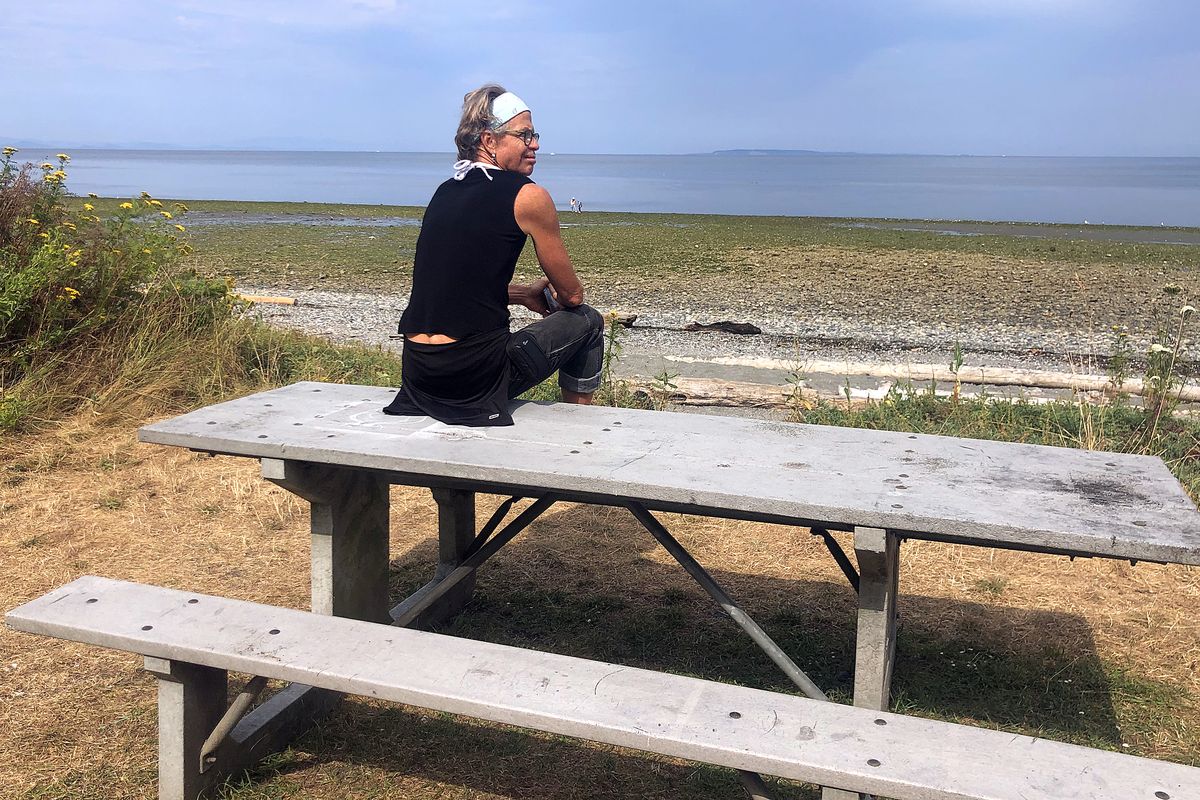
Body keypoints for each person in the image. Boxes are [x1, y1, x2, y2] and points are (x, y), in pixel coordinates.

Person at [384, 84, 604, 426]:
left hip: (420, 376)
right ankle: (578, 428)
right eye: (525, 135)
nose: (536, 144)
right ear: (490, 141)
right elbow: (572, 295)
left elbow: (453, 286)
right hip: (474, 380)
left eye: (535, 134)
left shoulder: (445, 191)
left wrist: (521, 295)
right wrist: (561, 297)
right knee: (588, 320)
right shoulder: (530, 196)